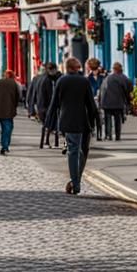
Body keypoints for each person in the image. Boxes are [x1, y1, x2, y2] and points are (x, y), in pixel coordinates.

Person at [46, 57, 98, 195]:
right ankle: (76, 182)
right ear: (77, 68)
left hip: (67, 121)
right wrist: (96, 122)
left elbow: (54, 103)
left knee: (74, 151)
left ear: (67, 68)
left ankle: (75, 182)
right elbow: (91, 104)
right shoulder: (84, 81)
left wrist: (48, 123)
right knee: (82, 151)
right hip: (83, 121)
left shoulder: (61, 81)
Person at [0, 69, 21, 154]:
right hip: (9, 110)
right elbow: (18, 97)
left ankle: (3, 144)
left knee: (4, 127)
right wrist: (15, 106)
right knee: (8, 127)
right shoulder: (15, 84)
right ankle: (5, 145)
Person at [98, 62, 133, 141]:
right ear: (120, 69)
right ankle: (117, 135)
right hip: (118, 102)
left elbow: (101, 90)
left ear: (113, 69)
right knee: (118, 120)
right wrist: (128, 102)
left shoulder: (107, 78)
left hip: (106, 102)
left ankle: (108, 135)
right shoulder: (123, 78)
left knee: (107, 119)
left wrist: (100, 103)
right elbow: (128, 90)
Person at [36, 62, 59, 148]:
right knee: (48, 126)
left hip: (47, 106)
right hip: (46, 107)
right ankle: (45, 142)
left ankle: (49, 142)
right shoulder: (45, 80)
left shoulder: (49, 79)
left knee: (50, 126)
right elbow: (43, 95)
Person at [86, 58, 105, 139]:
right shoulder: (88, 78)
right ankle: (93, 129)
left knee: (99, 118)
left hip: (100, 99)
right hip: (92, 99)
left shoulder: (102, 77)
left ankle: (99, 133)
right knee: (92, 117)